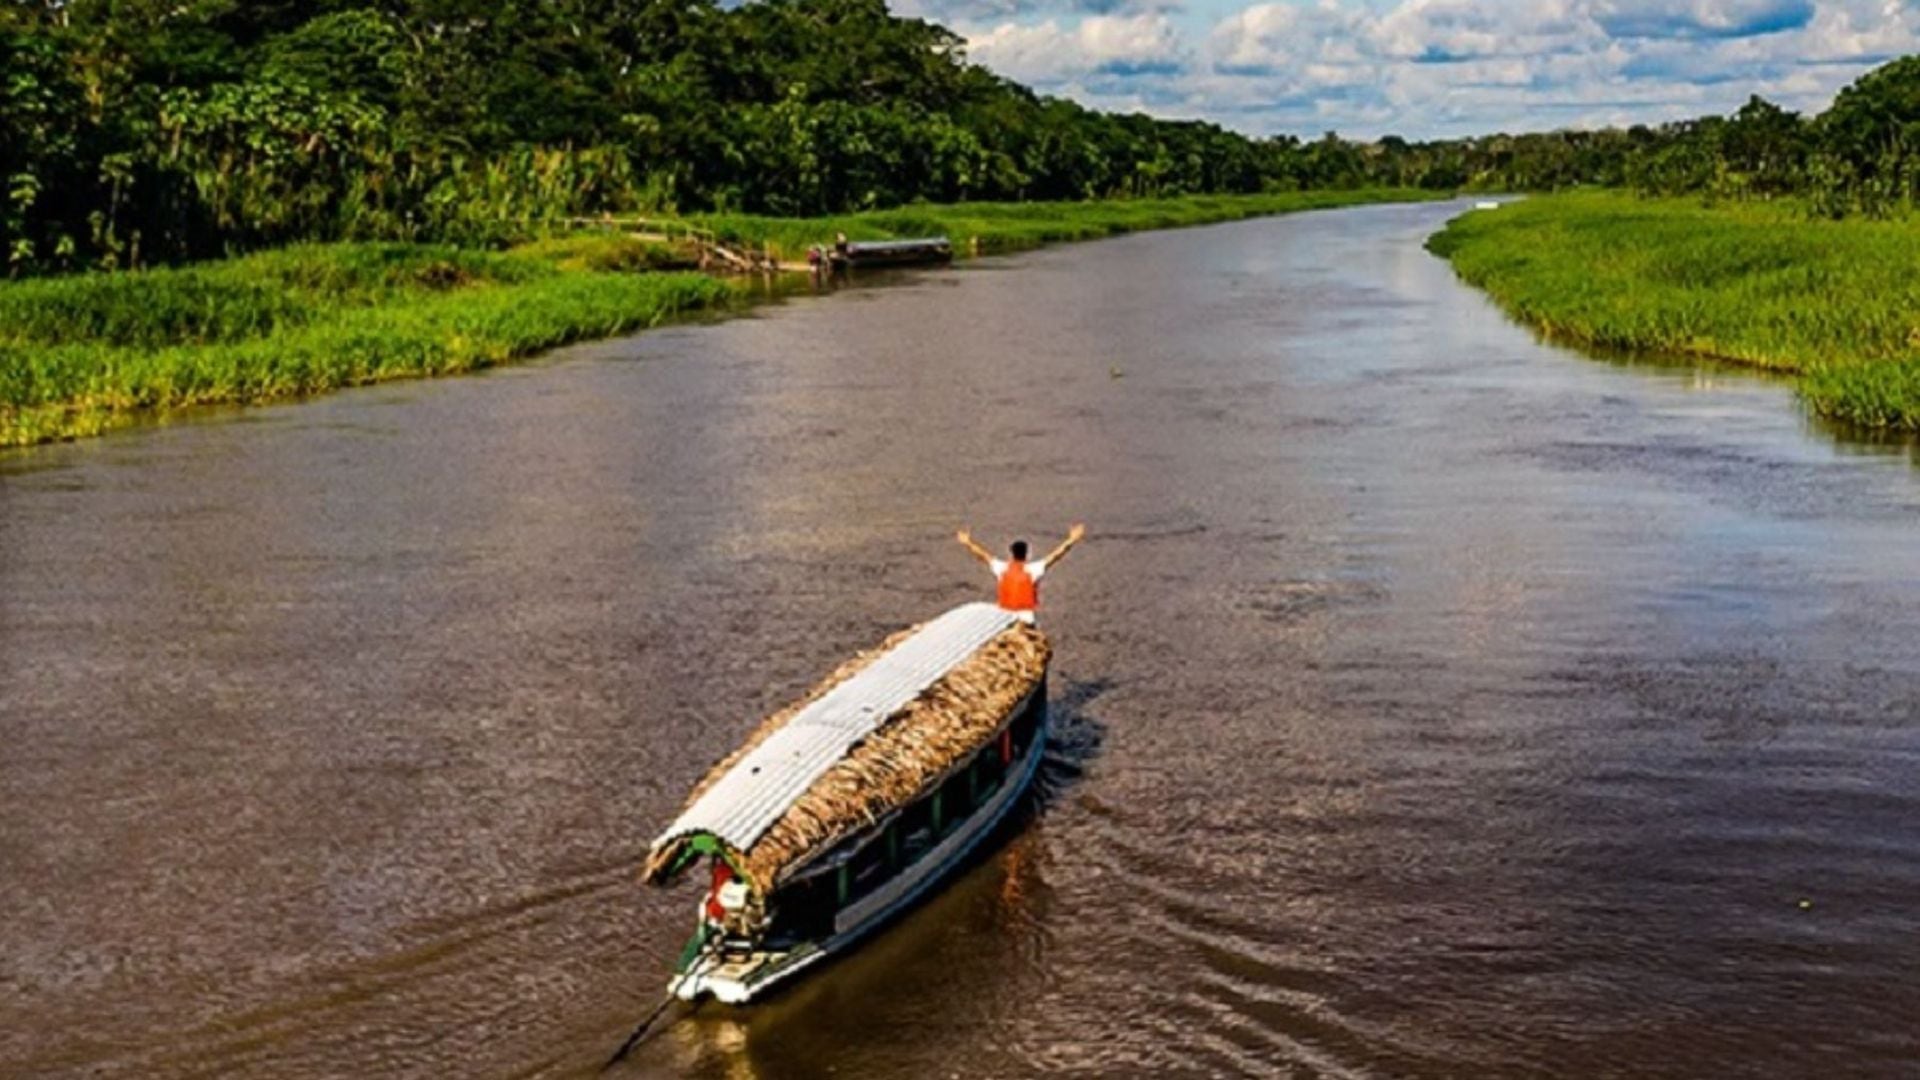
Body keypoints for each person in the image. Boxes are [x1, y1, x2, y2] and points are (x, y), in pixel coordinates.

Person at [955, 524, 1086, 623]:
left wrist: (967, 542)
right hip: (1026, 618)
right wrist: (1072, 539)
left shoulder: (1002, 568)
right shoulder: (1033, 570)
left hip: (1004, 617)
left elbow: (982, 555)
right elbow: (1056, 555)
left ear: (1011, 553)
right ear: (1027, 554)